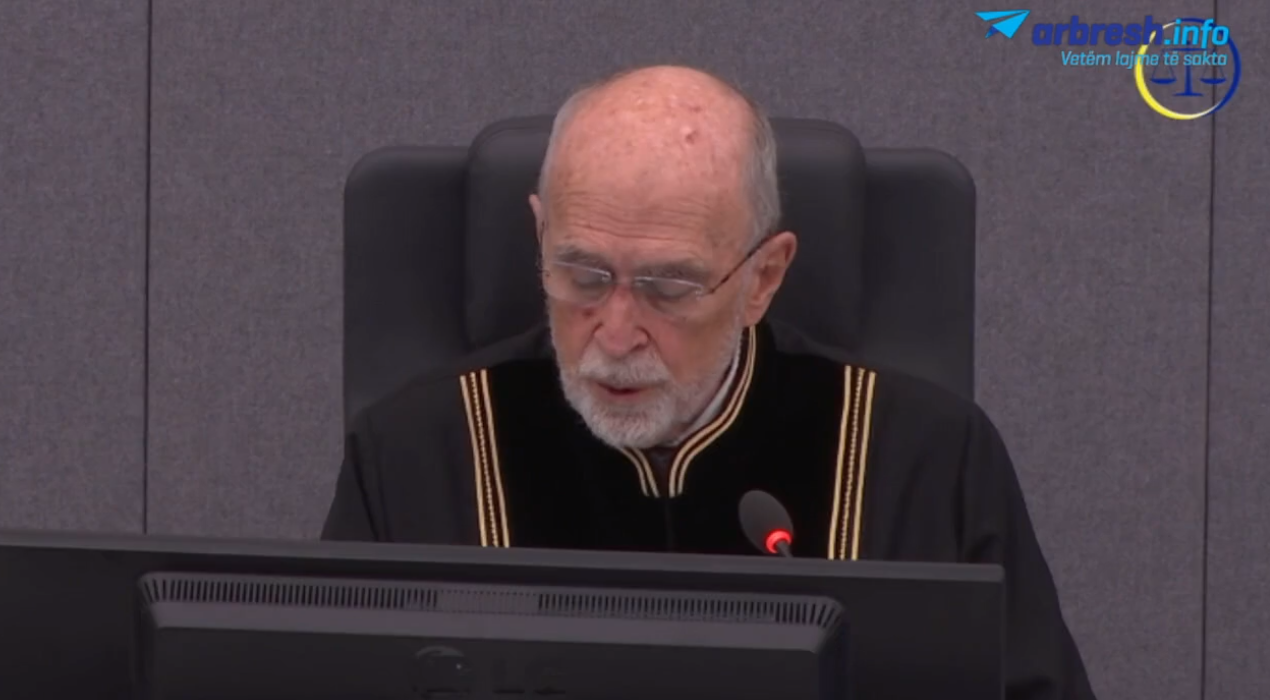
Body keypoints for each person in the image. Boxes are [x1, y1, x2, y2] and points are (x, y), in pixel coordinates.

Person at [323, 64, 1096, 700]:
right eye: (581, 274)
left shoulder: (927, 457)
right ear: (539, 235)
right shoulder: (414, 451)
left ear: (764, 277)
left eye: (669, 287)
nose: (616, 334)